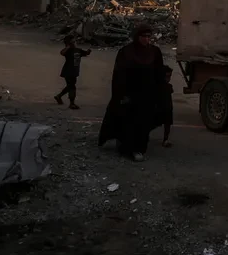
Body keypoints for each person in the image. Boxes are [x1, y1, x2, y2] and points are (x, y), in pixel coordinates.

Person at [99, 24, 165, 162]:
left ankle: (138, 149)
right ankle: (126, 148)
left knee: (143, 124)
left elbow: (159, 73)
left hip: (147, 94)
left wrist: (160, 93)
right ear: (137, 37)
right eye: (144, 37)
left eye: (149, 37)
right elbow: (119, 75)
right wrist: (121, 95)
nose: (147, 40)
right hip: (130, 94)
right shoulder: (127, 52)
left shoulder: (154, 52)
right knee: (128, 122)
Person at [55, 35, 91, 109]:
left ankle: (59, 96)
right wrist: (68, 47)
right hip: (68, 71)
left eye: (75, 41)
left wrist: (88, 51)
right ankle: (72, 103)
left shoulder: (78, 50)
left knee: (70, 86)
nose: (75, 43)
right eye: (73, 42)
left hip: (74, 72)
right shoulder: (68, 51)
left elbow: (85, 53)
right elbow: (62, 53)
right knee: (72, 86)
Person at [158, 65, 175, 148]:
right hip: (162, 108)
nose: (169, 78)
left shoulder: (168, 86)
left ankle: (165, 139)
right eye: (167, 76)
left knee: (167, 124)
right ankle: (165, 140)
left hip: (167, 108)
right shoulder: (164, 86)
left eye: (170, 76)